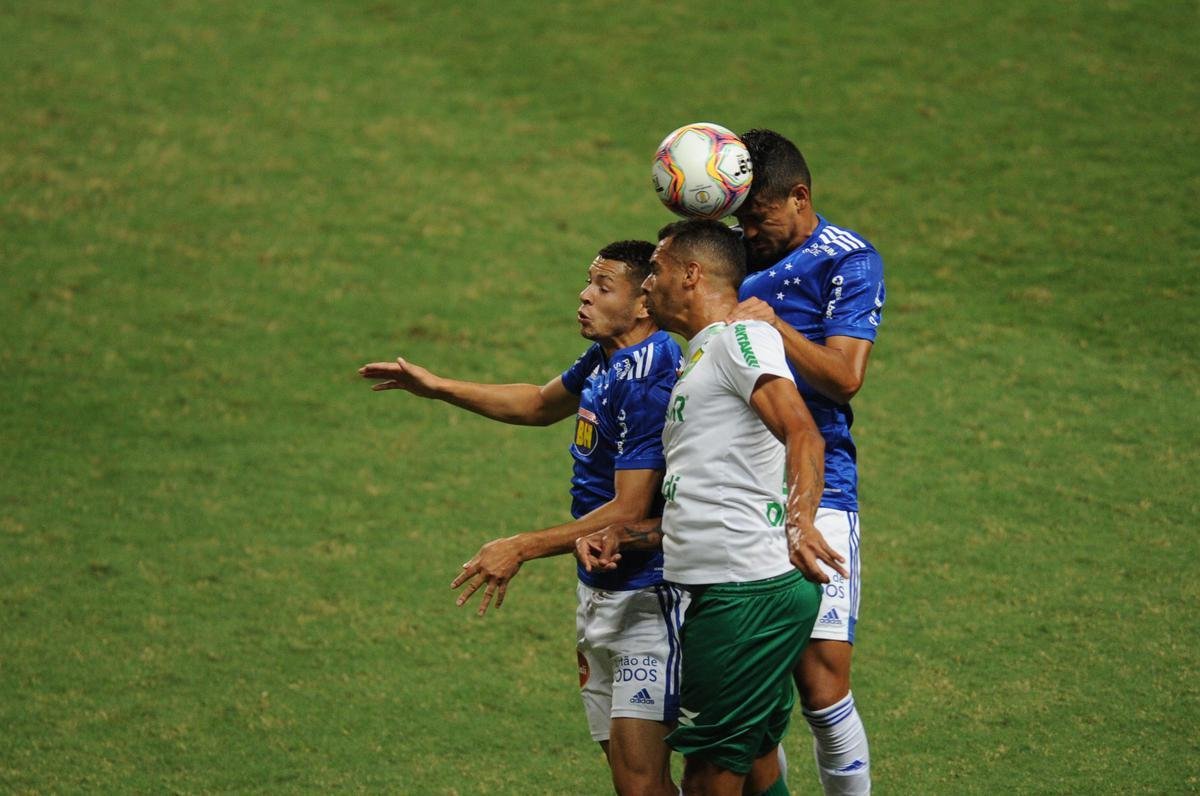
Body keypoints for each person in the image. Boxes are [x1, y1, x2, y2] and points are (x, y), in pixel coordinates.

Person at [358, 240, 685, 796]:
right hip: (601, 588)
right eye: (588, 281)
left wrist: (521, 546)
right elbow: (537, 403)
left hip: (649, 598)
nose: (584, 295)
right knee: (634, 782)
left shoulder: (649, 377)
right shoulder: (608, 358)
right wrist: (438, 388)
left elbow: (631, 509)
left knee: (645, 783)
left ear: (643, 303)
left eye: (603, 287)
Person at [579, 219, 847, 796]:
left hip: (743, 592)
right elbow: (711, 493)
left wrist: (801, 522)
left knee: (708, 777)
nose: (645, 286)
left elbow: (804, 432)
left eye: (656, 270)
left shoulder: (737, 341)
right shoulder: (698, 362)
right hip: (725, 589)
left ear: (692, 275)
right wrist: (634, 536)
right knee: (754, 762)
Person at [727, 128, 886, 796]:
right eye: (737, 215)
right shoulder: (728, 253)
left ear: (798, 197)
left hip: (818, 487)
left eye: (757, 216)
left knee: (822, 685)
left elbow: (845, 377)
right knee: (749, 696)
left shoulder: (847, 261)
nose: (748, 230)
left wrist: (773, 327)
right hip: (732, 486)